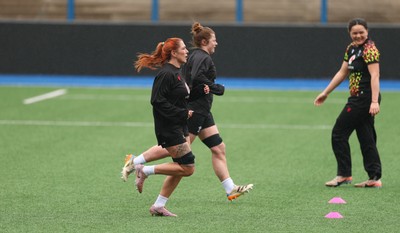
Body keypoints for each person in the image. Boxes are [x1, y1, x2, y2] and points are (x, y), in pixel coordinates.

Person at [122, 22, 253, 204]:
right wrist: (215, 88)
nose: (217, 43)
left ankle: (229, 187)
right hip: (194, 111)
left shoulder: (189, 60)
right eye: (214, 40)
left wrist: (203, 90)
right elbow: (196, 77)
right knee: (181, 159)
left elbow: (191, 83)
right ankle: (138, 164)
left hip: (201, 110)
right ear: (205, 41)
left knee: (217, 148)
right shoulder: (201, 58)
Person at [131, 37, 205, 217]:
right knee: (188, 168)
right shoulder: (166, 74)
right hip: (168, 127)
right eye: (183, 49)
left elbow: (178, 95)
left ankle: (158, 205)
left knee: (179, 166)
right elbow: (156, 101)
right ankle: (144, 169)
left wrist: (199, 92)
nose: (187, 51)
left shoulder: (177, 71)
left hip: (180, 126)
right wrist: (181, 113)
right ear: (174, 53)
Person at [314, 18, 382, 188]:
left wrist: (374, 101)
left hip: (364, 98)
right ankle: (374, 178)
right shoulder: (351, 49)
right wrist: (326, 92)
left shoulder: (370, 49)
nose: (358, 35)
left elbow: (375, 75)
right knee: (366, 136)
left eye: (361, 32)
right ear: (349, 34)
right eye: (354, 33)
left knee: (339, 132)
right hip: (358, 98)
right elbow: (343, 72)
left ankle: (344, 174)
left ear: (367, 32)